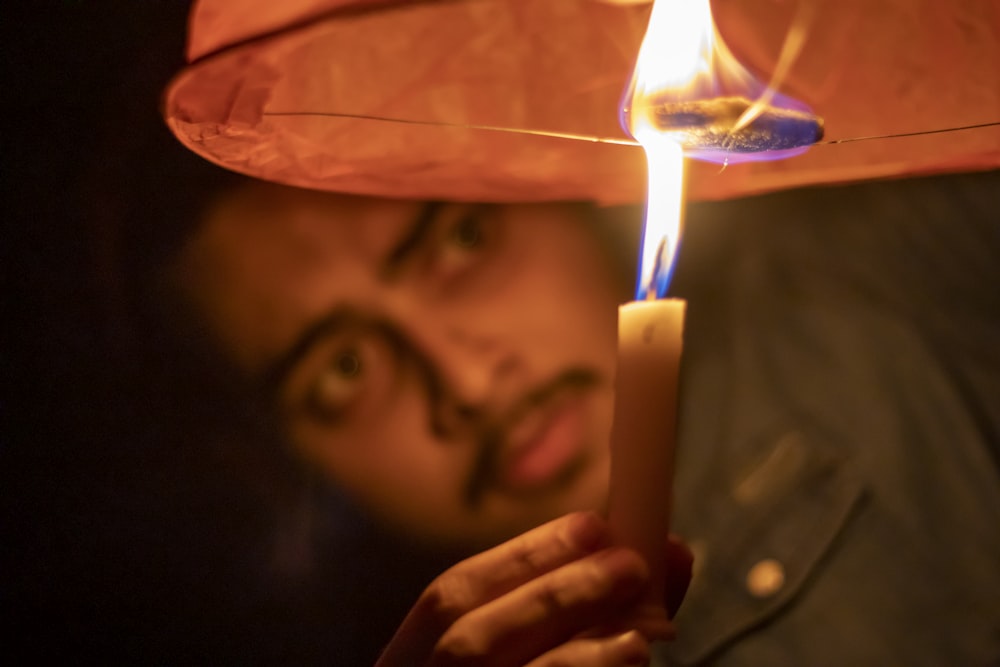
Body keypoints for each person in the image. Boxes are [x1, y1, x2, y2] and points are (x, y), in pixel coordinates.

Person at [167, 168, 1000, 665]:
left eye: (460, 239)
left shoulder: (875, 282)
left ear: (556, 188)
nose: (466, 380)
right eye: (344, 369)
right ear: (281, 462)